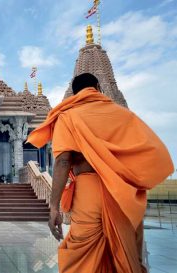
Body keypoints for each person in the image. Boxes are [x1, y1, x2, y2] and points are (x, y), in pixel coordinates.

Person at [26, 73, 174, 273]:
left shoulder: (68, 116)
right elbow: (147, 152)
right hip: (123, 192)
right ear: (98, 87)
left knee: (82, 254)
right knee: (125, 252)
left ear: (74, 93)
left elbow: (62, 161)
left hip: (89, 190)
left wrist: (54, 207)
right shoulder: (122, 114)